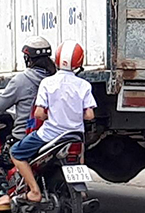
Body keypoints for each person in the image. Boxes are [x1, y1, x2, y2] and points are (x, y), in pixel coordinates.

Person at [6, 40, 97, 204]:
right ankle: (81, 190)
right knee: (77, 154)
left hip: (50, 136)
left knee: (16, 153)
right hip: (75, 136)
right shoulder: (84, 85)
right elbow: (89, 115)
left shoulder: (47, 82)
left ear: (56, 59)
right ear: (79, 62)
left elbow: (39, 114)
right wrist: (73, 114)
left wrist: (54, 116)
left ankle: (34, 190)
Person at [0, 36, 58, 210]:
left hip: (27, 135)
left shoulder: (22, 80)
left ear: (28, 58)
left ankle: (5, 196)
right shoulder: (57, 79)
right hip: (58, 134)